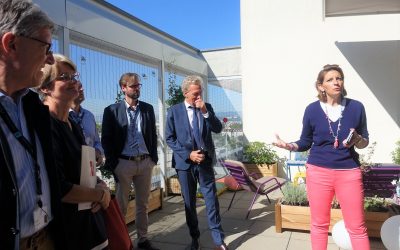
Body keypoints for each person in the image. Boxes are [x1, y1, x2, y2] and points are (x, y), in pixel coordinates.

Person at [273, 64, 370, 250]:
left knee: (357, 227)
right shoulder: (312, 110)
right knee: (319, 225)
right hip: (318, 172)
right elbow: (305, 141)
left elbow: (365, 142)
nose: (336, 82)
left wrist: (358, 139)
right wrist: (289, 146)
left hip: (349, 172)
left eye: (339, 78)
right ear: (320, 86)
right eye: (330, 79)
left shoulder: (356, 107)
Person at [0, 1, 67, 249]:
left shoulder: (34, 108)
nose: (50, 59)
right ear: (11, 44)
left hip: (46, 238)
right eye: (46, 46)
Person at [38, 54, 111, 250]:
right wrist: (99, 196)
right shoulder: (45, 125)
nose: (73, 82)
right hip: (67, 230)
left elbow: (85, 170)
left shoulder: (72, 124)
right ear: (45, 87)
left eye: (74, 76)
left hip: (88, 221)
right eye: (64, 77)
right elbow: (59, 188)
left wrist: (102, 186)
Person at [165, 75, 227, 250]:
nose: (199, 97)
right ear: (185, 93)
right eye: (195, 94)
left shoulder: (206, 108)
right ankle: (195, 238)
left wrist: (206, 111)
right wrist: (188, 154)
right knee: (189, 203)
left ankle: (218, 240)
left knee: (211, 201)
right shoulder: (174, 111)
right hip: (185, 164)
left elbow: (218, 128)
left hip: (205, 162)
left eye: (200, 93)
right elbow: (170, 138)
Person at [101, 72, 159, 250]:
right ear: (123, 88)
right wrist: (114, 163)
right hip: (123, 163)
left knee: (143, 203)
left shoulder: (147, 109)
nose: (137, 88)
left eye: (138, 85)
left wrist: (153, 158)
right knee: (121, 206)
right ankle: (122, 241)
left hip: (145, 162)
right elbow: (107, 139)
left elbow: (152, 135)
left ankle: (143, 239)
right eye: (133, 86)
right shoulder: (112, 111)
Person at [69, 81, 104, 166]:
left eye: (81, 87)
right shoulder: (62, 117)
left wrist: (98, 151)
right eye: (78, 87)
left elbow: (96, 141)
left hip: (89, 168)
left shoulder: (89, 116)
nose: (82, 89)